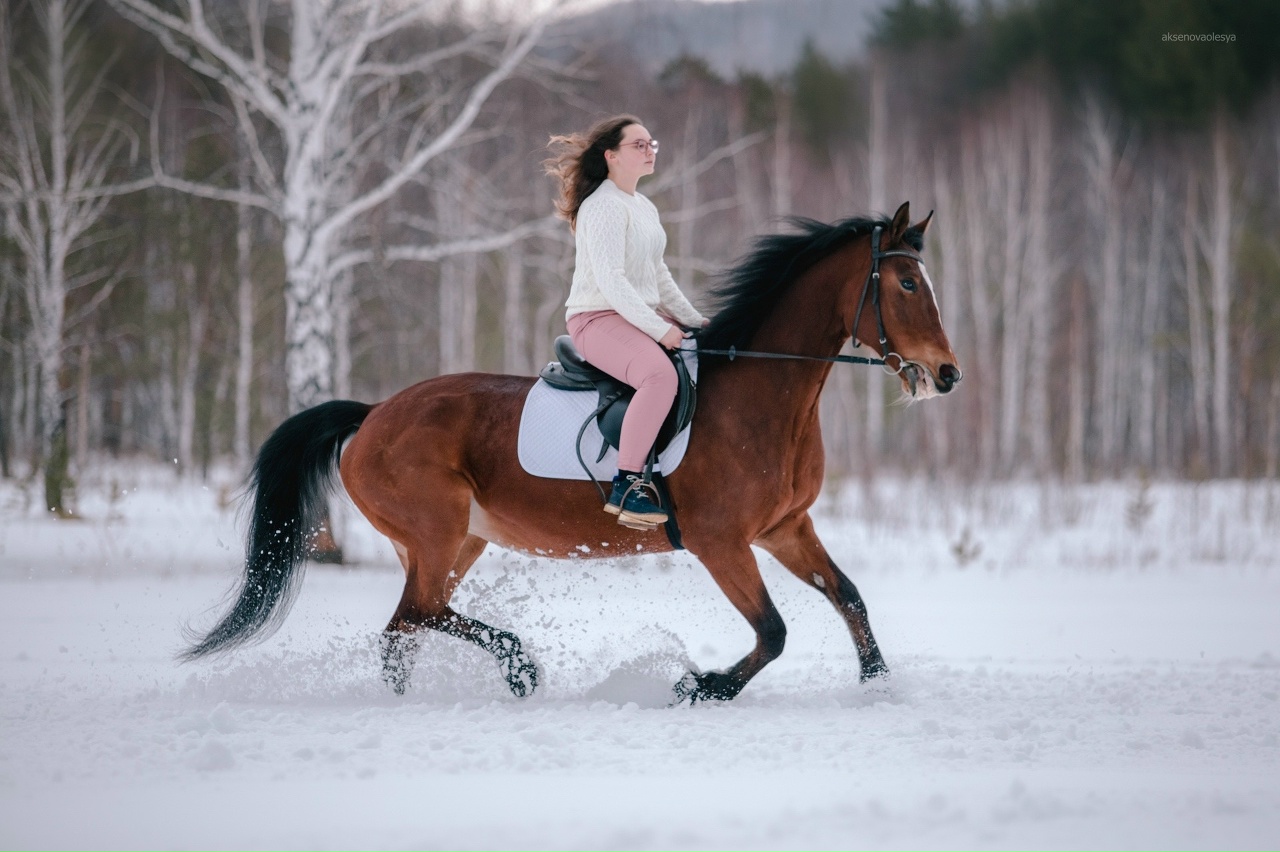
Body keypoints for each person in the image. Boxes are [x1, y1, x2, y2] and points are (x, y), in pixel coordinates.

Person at [545, 115, 708, 528]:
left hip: (634, 317)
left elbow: (659, 276)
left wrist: (696, 322)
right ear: (611, 156)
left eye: (651, 143)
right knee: (659, 377)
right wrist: (660, 329)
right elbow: (612, 282)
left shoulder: (643, 206)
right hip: (596, 318)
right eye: (639, 144)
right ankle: (628, 485)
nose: (649, 149)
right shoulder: (601, 206)